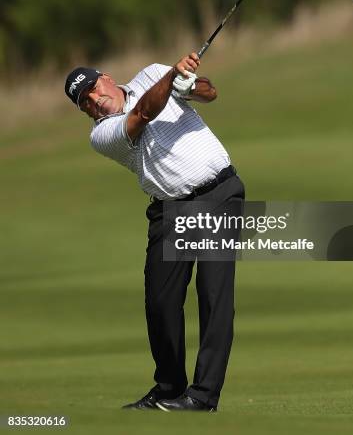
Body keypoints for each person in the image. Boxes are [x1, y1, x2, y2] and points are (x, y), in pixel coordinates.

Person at [64, 52, 245, 412]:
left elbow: (210, 94)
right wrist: (171, 78)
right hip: (169, 210)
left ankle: (203, 396)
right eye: (84, 103)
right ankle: (169, 389)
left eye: (94, 90)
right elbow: (143, 113)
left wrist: (188, 84)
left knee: (214, 295)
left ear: (107, 78)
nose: (95, 101)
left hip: (218, 194)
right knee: (160, 303)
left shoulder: (152, 73)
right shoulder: (102, 135)